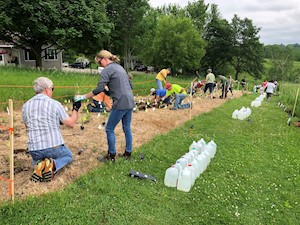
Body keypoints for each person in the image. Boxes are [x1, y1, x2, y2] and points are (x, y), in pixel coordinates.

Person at [74, 50, 135, 162]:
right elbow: (127, 85)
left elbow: (99, 89)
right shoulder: (120, 68)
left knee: (109, 128)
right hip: (130, 101)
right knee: (127, 128)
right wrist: (109, 91)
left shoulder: (107, 70)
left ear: (104, 58)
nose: (100, 65)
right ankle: (128, 153)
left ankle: (111, 155)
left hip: (120, 102)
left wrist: (84, 96)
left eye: (99, 62)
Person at [22, 77, 81, 182]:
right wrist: (75, 108)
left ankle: (39, 165)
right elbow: (71, 123)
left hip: (34, 149)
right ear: (47, 89)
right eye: (52, 89)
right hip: (53, 147)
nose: (52, 92)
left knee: (39, 159)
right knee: (68, 156)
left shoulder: (26, 106)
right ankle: (53, 165)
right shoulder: (54, 104)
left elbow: (28, 126)